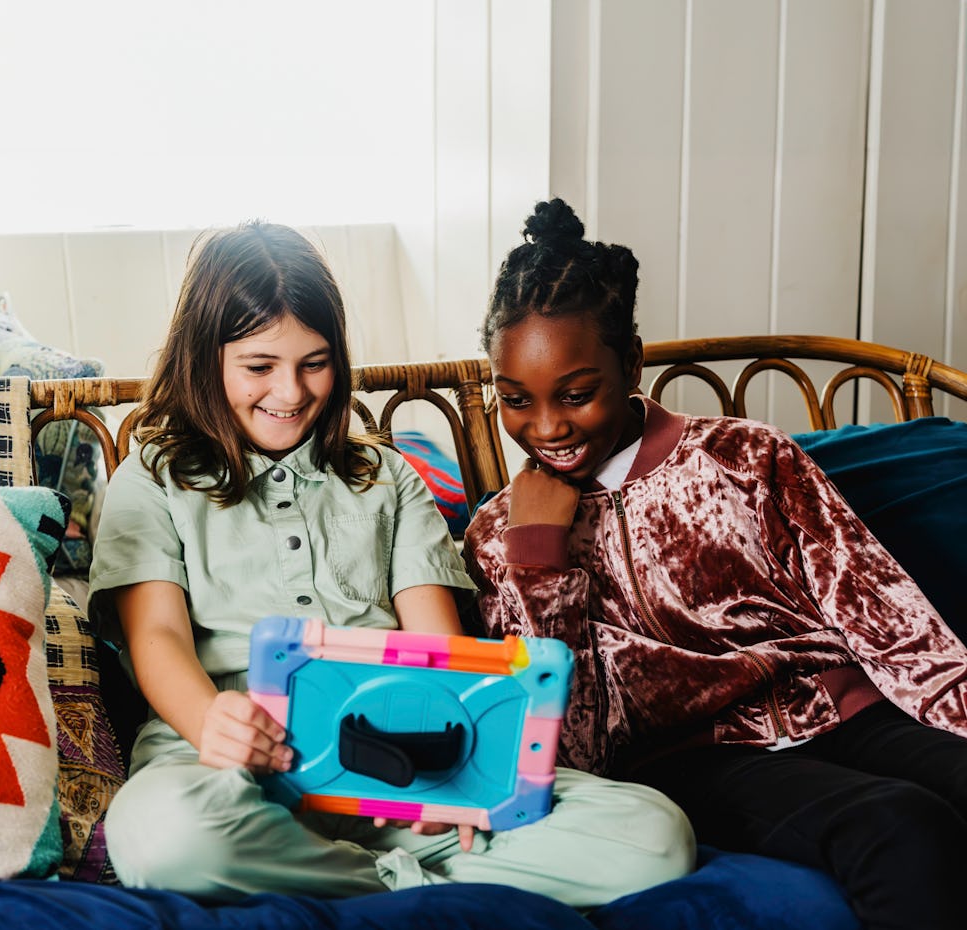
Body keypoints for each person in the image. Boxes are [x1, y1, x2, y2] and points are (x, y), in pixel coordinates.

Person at [87, 220, 693, 905]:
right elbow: (155, 637)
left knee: (655, 835)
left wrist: (458, 768)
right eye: (259, 366)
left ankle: (368, 885)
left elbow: (437, 644)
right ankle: (412, 891)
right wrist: (209, 723)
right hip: (229, 771)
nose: (290, 393)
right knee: (160, 837)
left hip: (402, 761)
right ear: (207, 359)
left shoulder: (388, 477)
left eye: (313, 363)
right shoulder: (152, 479)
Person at [465, 198, 967, 930]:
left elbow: (888, 617)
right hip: (692, 761)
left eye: (576, 395)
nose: (546, 428)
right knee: (897, 824)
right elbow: (568, 743)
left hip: (840, 710)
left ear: (631, 362)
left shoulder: (746, 459)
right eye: (516, 401)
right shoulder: (497, 537)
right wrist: (541, 559)